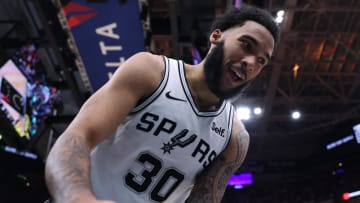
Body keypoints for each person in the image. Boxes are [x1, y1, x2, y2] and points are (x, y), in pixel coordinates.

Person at [45, 4, 280, 203]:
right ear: (216, 37)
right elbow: (76, 137)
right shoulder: (151, 72)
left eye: (261, 61)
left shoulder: (235, 138)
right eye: (246, 45)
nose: (250, 63)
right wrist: (78, 197)